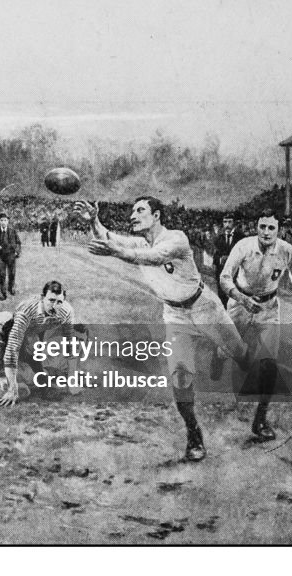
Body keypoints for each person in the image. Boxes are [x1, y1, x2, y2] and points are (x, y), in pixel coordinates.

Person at [75, 197, 247, 462]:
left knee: (241, 356)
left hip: (204, 308)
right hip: (175, 315)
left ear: (156, 215)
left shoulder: (176, 239)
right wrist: (94, 221)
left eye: (140, 210)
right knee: (180, 377)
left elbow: (152, 257)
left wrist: (116, 251)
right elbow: (110, 238)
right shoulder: (139, 242)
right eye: (132, 211)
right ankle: (194, 435)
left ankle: (222, 353)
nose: (132, 215)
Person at [220, 209, 292, 442]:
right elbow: (224, 277)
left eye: (271, 228)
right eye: (262, 227)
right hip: (240, 305)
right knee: (230, 350)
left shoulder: (286, 250)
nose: (266, 232)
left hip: (268, 308)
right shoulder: (243, 246)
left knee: (269, 362)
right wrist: (242, 299)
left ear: (279, 230)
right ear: (255, 227)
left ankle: (260, 419)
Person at [0, 281, 75, 405]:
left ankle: (43, 382)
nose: (54, 306)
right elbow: (12, 348)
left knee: (37, 354)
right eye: (51, 300)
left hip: (38, 329)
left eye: (59, 302)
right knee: (10, 357)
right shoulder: (26, 311)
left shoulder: (66, 311)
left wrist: (72, 380)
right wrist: (12, 389)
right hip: (13, 327)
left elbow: (69, 344)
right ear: (42, 298)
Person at [212, 214, 243, 307]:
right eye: (225, 222)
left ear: (234, 223)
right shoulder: (218, 238)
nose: (227, 225)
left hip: (236, 273)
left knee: (235, 299)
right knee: (222, 297)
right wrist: (219, 259)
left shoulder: (241, 237)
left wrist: (229, 258)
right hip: (222, 272)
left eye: (230, 222)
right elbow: (215, 255)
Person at [0, 212, 21, 300]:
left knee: (12, 274)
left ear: (8, 221)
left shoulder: (12, 231)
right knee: (2, 275)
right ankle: (3, 293)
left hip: (11, 256)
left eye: (5, 220)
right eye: (2, 220)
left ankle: (11, 288)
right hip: (0, 257)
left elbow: (18, 243)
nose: (3, 222)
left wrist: (17, 252)